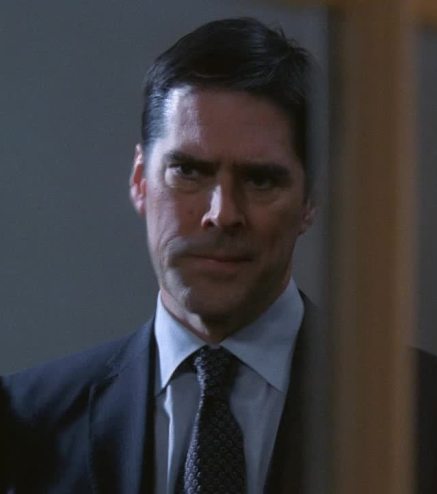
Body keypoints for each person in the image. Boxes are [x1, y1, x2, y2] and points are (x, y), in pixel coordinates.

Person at [0, 18, 317, 493]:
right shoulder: (25, 421)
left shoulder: (427, 412)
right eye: (188, 171)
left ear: (310, 200)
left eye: (260, 179)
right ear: (139, 181)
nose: (222, 214)